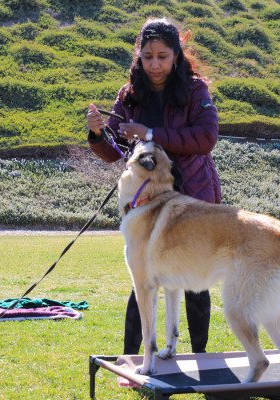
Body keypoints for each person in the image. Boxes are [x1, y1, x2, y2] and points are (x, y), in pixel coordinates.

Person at [86, 17, 221, 358]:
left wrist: (149, 134)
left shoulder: (195, 89)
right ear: (139, 56)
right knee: (142, 278)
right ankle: (132, 358)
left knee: (195, 283)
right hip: (146, 199)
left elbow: (206, 139)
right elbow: (116, 151)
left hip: (194, 193)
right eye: (147, 56)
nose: (155, 64)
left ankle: (200, 360)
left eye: (162, 56)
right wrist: (99, 135)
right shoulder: (129, 94)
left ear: (176, 55)